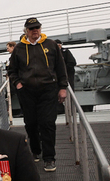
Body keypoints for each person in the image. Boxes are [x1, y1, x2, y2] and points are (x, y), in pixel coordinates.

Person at [8, 17, 68, 171]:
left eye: (37, 27)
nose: (35, 30)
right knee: (31, 123)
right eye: (31, 28)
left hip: (48, 89)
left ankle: (49, 158)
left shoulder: (51, 45)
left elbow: (60, 67)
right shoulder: (19, 49)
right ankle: (35, 150)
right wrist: (18, 84)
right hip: (27, 91)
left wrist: (63, 87)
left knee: (47, 123)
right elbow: (12, 70)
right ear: (26, 31)